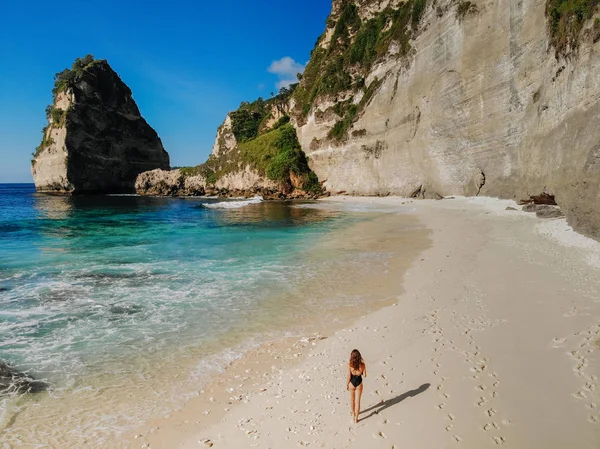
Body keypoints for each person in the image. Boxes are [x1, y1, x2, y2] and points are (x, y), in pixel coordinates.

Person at [346, 349, 367, 423]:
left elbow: (349, 376)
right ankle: (356, 419)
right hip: (359, 383)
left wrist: (347, 384)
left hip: (352, 383)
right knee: (358, 401)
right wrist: (362, 370)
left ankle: (353, 414)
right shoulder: (362, 365)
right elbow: (365, 375)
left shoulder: (350, 364)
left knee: (352, 399)